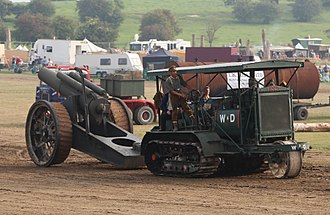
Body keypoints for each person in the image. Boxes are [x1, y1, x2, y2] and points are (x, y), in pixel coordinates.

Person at [165, 65, 194, 131]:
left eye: (175, 71)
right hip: (174, 95)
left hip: (179, 92)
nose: (175, 72)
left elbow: (185, 84)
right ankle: (175, 126)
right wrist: (181, 95)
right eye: (173, 71)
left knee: (186, 106)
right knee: (174, 110)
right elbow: (171, 91)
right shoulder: (168, 80)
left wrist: (192, 89)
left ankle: (193, 119)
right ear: (170, 72)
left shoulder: (179, 78)